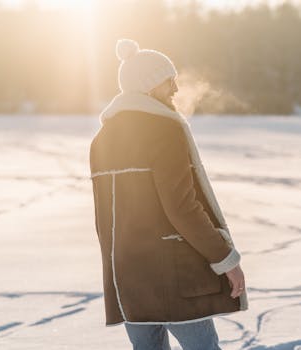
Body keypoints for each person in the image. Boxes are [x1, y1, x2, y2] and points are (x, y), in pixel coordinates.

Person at [90, 39, 248, 350]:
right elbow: (182, 208)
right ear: (148, 86)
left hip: (128, 279)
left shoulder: (101, 140)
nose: (175, 90)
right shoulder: (164, 129)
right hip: (175, 276)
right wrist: (226, 260)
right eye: (168, 81)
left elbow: (104, 223)